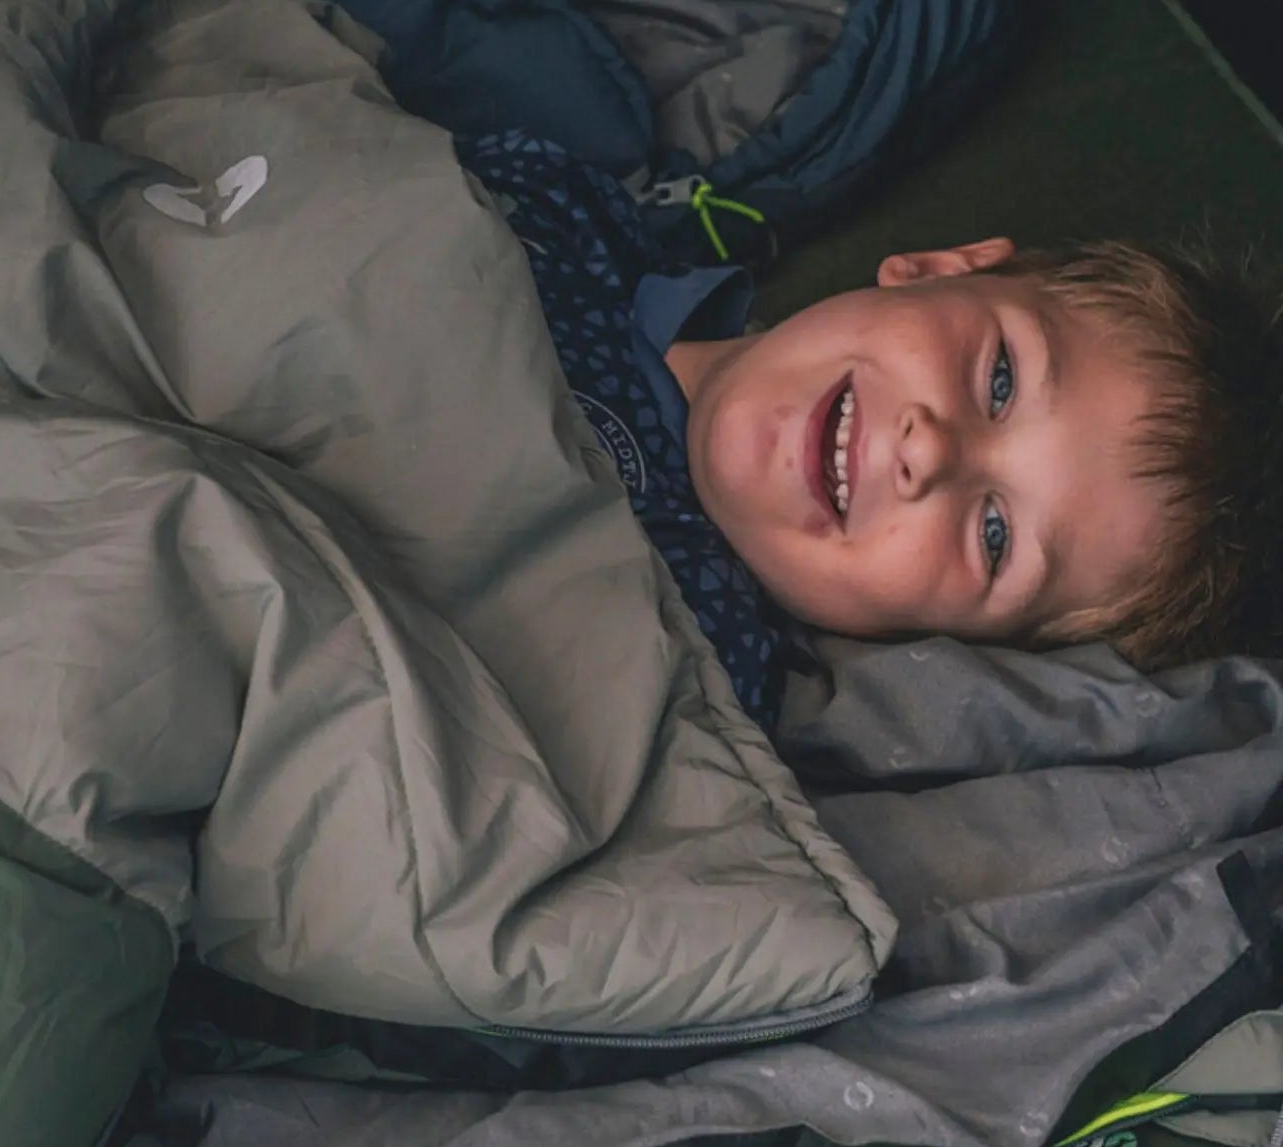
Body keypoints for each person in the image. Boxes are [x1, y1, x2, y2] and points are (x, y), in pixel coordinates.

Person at [460, 130, 1283, 726]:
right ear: (935, 269)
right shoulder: (555, 213)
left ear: (940, 647)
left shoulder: (689, 683)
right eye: (1001, 376)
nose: (930, 451)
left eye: (996, 537)